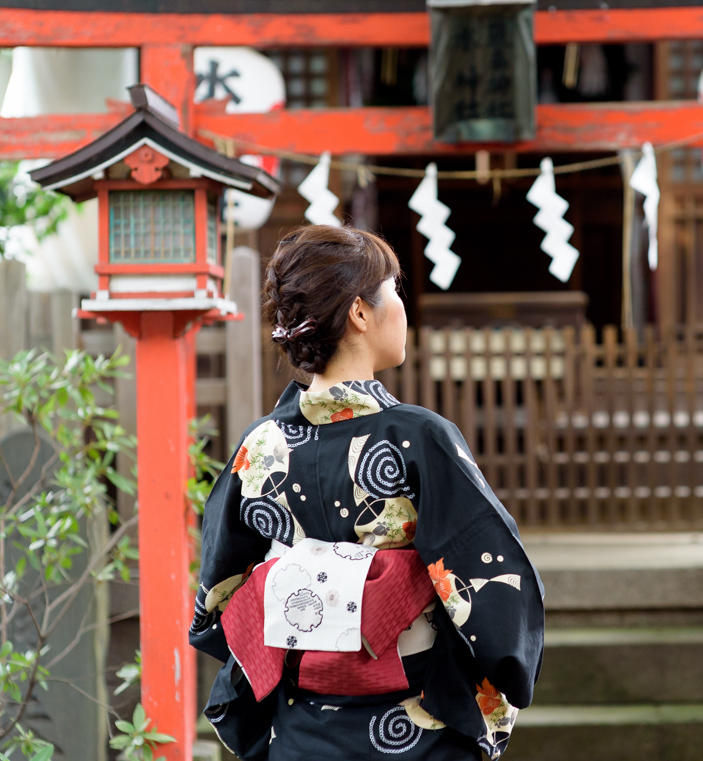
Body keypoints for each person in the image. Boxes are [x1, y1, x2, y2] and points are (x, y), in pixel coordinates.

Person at [189, 225, 545, 761]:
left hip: (300, 732)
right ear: (359, 312)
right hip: (415, 730)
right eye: (394, 290)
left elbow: (218, 594)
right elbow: (495, 584)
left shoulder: (259, 446)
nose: (402, 306)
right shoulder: (418, 438)